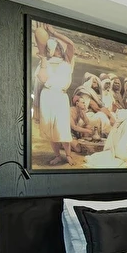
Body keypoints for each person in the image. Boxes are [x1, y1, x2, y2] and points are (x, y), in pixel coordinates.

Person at [33, 22, 75, 166]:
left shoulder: (67, 61)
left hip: (61, 97)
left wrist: (54, 33)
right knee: (51, 129)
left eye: (58, 47)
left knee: (63, 128)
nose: (58, 50)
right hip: (48, 96)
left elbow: (71, 44)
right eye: (54, 48)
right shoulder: (45, 63)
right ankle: (57, 155)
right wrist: (43, 59)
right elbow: (43, 78)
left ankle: (68, 155)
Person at [69, 87, 109, 154]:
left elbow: (87, 122)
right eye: (83, 103)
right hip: (69, 133)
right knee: (78, 150)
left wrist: (83, 113)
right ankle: (64, 144)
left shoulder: (81, 111)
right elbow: (74, 127)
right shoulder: (70, 111)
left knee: (88, 127)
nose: (85, 104)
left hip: (76, 132)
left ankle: (76, 142)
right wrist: (87, 130)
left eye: (84, 103)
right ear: (77, 103)